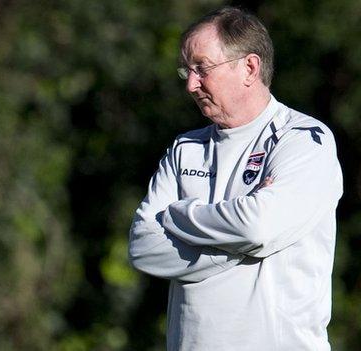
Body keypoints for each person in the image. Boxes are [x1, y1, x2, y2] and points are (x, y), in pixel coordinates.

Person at [128, 7, 342, 351]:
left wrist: (180, 215)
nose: (190, 83)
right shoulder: (186, 148)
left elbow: (257, 227)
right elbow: (144, 248)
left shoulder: (304, 140)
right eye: (187, 69)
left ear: (249, 68)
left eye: (202, 68)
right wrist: (246, 244)